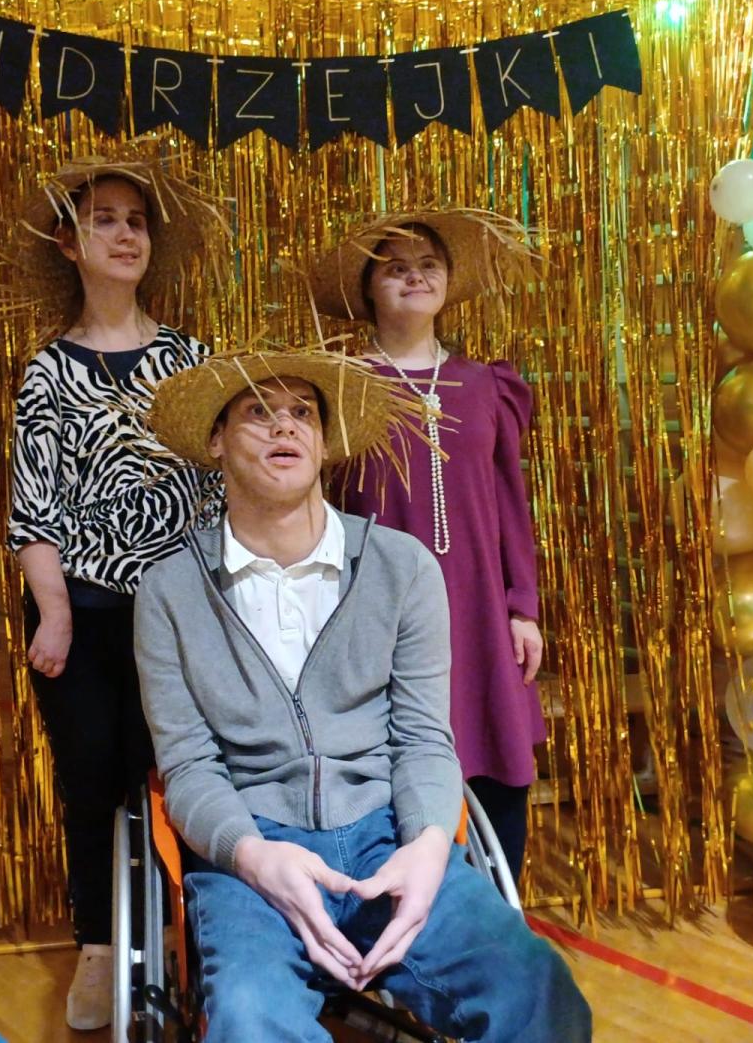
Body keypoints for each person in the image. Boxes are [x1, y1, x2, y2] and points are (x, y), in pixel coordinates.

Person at [136, 348, 591, 1042]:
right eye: (258, 411)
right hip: (254, 852)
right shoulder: (169, 591)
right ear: (217, 439)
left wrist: (429, 846)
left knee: (537, 989)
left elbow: (424, 738)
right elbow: (189, 766)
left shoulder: (401, 567)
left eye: (302, 412)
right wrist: (253, 857)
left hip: (388, 835)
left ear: (323, 443)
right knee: (250, 1021)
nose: (284, 425)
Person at [5, 157, 226, 1030]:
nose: (125, 233)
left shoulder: (190, 361)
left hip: (181, 614)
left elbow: (220, 494)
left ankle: (202, 934)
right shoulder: (47, 372)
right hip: (87, 617)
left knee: (190, 775)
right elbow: (34, 509)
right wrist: (56, 611)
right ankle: (99, 943)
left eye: (136, 220)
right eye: (104, 218)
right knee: (93, 779)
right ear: (70, 244)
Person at [310, 211, 544, 882]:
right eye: (395, 266)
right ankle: (411, 906)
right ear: (367, 287)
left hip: (477, 607)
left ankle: (497, 908)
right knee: (396, 762)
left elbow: (509, 501)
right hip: (377, 610)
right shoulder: (340, 385)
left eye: (428, 264)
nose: (414, 276)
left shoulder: (485, 385)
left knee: (494, 751)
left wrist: (522, 606)